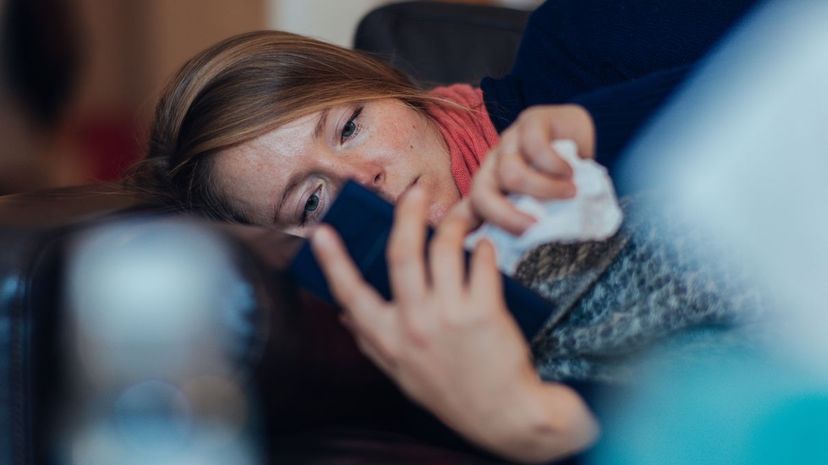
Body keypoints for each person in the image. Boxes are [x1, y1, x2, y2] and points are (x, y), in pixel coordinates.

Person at [130, 1, 763, 462]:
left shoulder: (574, 43)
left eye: (349, 127)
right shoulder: (435, 344)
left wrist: (597, 127)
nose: (364, 177)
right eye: (315, 198)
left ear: (396, 91)